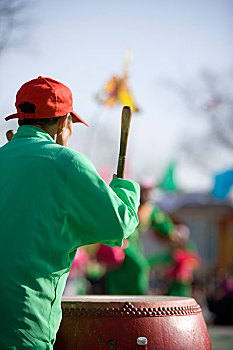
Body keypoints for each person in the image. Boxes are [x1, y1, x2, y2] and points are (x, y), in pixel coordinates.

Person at [0, 76, 140, 349]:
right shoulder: (68, 163)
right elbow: (119, 225)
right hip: (23, 326)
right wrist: (123, 190)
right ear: (64, 123)